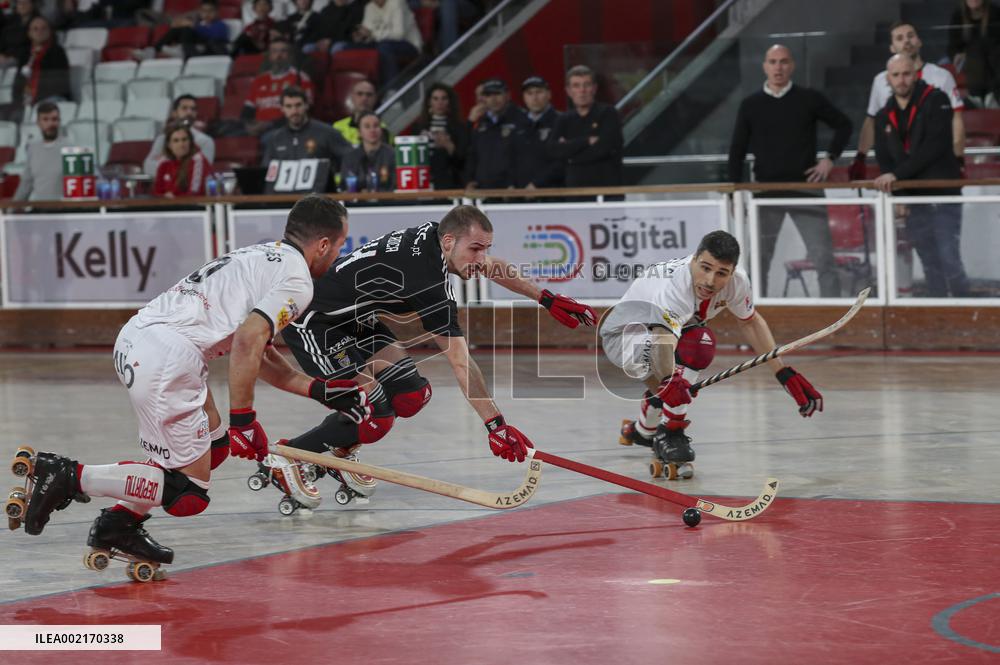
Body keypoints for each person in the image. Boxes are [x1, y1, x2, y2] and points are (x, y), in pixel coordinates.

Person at [18, 195, 366, 573]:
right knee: (187, 493)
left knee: (214, 448)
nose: (338, 256)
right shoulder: (298, 280)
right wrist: (244, 420)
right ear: (323, 244)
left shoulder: (263, 255)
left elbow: (258, 352)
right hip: (168, 358)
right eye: (340, 246)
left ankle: (118, 525)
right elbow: (248, 340)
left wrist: (317, 389)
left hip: (142, 339)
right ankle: (69, 476)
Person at [273, 204, 597, 509]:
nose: (481, 258)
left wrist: (545, 298)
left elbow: (490, 265)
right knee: (375, 416)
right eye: (475, 249)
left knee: (411, 396)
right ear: (449, 242)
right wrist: (496, 425)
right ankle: (289, 455)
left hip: (355, 320)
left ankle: (339, 447)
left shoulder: (436, 236)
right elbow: (460, 362)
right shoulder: (427, 282)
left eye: (485, 248)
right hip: (316, 323)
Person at [602, 230, 823, 478]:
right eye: (705, 268)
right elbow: (661, 340)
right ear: (694, 259)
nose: (710, 281)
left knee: (685, 363)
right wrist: (669, 381)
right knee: (695, 347)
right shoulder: (675, 284)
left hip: (664, 336)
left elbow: (750, 323)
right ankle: (670, 433)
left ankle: (643, 431)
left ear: (732, 272)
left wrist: (783, 372)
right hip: (624, 338)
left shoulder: (738, 282)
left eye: (721, 273)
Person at [727, 44, 852, 298]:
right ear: (765, 66)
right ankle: (752, 313)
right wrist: (733, 192)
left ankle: (834, 315)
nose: (778, 67)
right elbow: (736, 150)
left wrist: (829, 159)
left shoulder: (809, 98)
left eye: (783, 61)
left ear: (792, 65)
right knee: (758, 259)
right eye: (773, 62)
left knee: (823, 257)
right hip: (766, 192)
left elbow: (844, 125)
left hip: (805, 189)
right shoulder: (750, 104)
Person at [873, 55, 970, 298]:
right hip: (914, 199)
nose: (901, 80)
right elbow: (885, 159)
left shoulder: (937, 99)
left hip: (943, 195)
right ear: (888, 79)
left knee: (949, 257)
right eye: (896, 75)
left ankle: (966, 308)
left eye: (906, 74)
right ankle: (939, 310)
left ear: (916, 75)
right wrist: (900, 196)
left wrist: (896, 176)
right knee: (928, 260)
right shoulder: (884, 114)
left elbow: (934, 148)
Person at [852, 21, 966, 179]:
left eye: (910, 36)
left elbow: (956, 120)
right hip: (899, 169)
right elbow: (872, 121)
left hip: (935, 167)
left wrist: (959, 158)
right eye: (899, 38)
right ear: (892, 48)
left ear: (919, 41)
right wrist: (861, 157)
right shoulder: (880, 80)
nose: (906, 41)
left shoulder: (941, 76)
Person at [261, 86, 353, 187]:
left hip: (318, 193)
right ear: (282, 109)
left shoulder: (327, 132)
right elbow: (267, 172)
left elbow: (351, 157)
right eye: (288, 106)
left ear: (306, 105)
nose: (294, 111)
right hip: (284, 195)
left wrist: (341, 181)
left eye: (298, 105)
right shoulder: (275, 139)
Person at [241, 36, 314, 136]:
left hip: (282, 128)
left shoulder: (300, 78)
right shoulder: (259, 80)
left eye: (283, 51)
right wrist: (248, 126)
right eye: (274, 51)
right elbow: (248, 109)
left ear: (290, 55)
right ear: (270, 56)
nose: (278, 55)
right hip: (257, 128)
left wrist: (269, 125)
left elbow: (303, 111)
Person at [464, 78, 527, 189]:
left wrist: (515, 183)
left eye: (497, 94)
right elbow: (472, 154)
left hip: (512, 189)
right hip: (483, 188)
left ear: (508, 95)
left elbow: (527, 158)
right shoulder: (479, 121)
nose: (493, 99)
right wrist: (470, 179)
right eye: (488, 95)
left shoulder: (522, 118)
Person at [350, 0, 422, 84]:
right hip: (380, 44)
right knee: (350, 47)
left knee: (384, 47)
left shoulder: (397, 3)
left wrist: (372, 34)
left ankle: (392, 86)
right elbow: (368, 33)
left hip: (408, 44)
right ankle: (366, 86)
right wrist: (361, 36)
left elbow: (398, 34)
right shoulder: (369, 7)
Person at [412, 82, 467, 189]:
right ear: (429, 102)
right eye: (435, 99)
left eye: (444, 98)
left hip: (449, 182)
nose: (440, 103)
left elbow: (463, 162)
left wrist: (449, 146)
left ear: (449, 102)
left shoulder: (459, 127)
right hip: (423, 181)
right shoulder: (418, 127)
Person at [143, 95, 216, 176]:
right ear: (174, 113)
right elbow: (148, 167)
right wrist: (184, 164)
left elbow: (203, 170)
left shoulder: (205, 141)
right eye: (184, 108)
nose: (189, 112)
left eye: (193, 109)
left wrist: (165, 162)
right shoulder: (162, 138)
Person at [513, 75, 564, 189]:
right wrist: (511, 183)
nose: (534, 98)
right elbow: (511, 158)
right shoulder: (518, 123)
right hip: (521, 193)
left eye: (539, 92)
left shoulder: (561, 121)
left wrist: (537, 183)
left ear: (549, 94)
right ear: (524, 97)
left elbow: (562, 161)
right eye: (529, 93)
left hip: (552, 191)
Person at [12, 15, 70, 113]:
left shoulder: (57, 52)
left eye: (44, 28)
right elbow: (18, 81)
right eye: (35, 29)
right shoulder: (24, 54)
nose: (40, 31)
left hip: (51, 97)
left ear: (49, 31)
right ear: (29, 33)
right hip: (27, 99)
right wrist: (18, 100)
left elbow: (58, 83)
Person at [13, 101, 69, 201]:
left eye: (54, 119)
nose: (50, 124)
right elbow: (26, 184)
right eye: (45, 119)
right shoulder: (33, 148)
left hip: (65, 208)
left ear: (59, 121)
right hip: (39, 207)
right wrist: (12, 207)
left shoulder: (70, 148)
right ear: (38, 123)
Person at [948, 0, 1000, 107]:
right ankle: (979, 97)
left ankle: (988, 96)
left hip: (993, 63)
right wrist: (957, 55)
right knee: (975, 55)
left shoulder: (996, 13)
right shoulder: (958, 15)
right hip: (971, 65)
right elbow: (952, 47)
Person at [152, 124, 216, 198]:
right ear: (169, 145)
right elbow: (156, 193)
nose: (181, 144)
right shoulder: (164, 164)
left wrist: (174, 198)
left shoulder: (198, 160)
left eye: (184, 139)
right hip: (168, 205)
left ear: (190, 142)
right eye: (176, 140)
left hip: (194, 205)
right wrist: (165, 197)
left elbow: (195, 193)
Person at [339, 111, 395, 191]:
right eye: (367, 126)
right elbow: (344, 185)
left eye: (376, 126)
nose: (372, 130)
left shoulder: (392, 155)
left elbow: (394, 184)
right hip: (357, 199)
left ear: (381, 130)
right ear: (359, 132)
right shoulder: (350, 158)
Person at [154, 1, 229, 59]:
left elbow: (215, 37)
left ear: (217, 12)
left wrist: (193, 26)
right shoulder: (199, 23)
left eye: (210, 11)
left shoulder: (221, 25)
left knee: (187, 29)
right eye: (204, 11)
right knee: (178, 29)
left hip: (205, 48)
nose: (207, 14)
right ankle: (157, 48)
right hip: (191, 46)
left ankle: (185, 53)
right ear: (199, 12)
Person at [332, 79, 388, 146]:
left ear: (375, 98)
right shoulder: (337, 127)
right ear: (352, 97)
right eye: (359, 94)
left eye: (369, 95)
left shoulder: (383, 128)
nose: (364, 98)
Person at [0, 0, 39, 68]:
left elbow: (32, 46)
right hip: (4, 58)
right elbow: (3, 41)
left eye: (25, 3)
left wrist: (12, 57)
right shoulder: (10, 22)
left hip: (23, 59)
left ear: (32, 5)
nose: (22, 5)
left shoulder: (38, 23)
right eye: (20, 3)